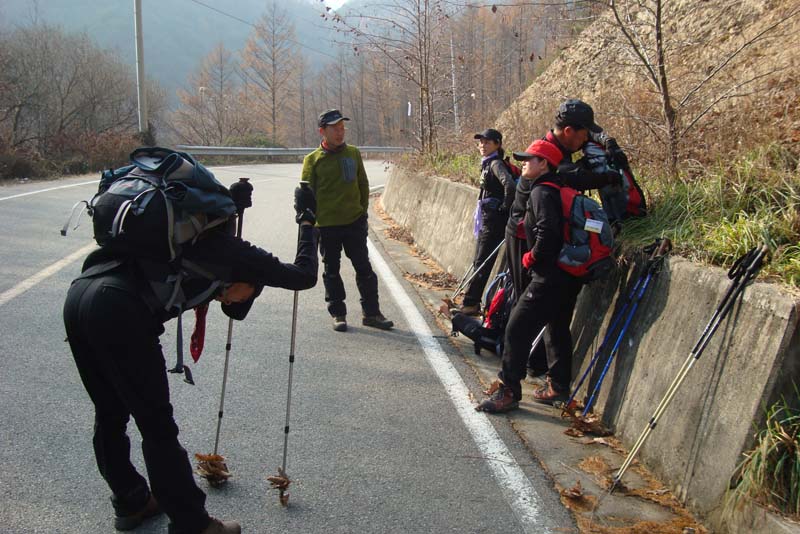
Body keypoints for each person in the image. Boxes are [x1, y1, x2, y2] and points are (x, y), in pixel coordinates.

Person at [62, 182, 319, 534]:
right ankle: (192, 524)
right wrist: (307, 221)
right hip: (119, 309)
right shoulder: (239, 257)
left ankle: (131, 500)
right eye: (248, 293)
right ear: (248, 279)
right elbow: (303, 276)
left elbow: (214, 249)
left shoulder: (189, 243)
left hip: (79, 297)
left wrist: (233, 208)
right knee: (158, 428)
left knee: (110, 413)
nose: (233, 301)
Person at [476, 139, 583, 413]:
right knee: (557, 328)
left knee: (516, 327)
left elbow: (548, 234)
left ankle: (508, 390)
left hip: (548, 276)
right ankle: (557, 387)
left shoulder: (541, 193)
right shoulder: (558, 188)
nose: (523, 162)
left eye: (529, 159)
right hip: (568, 275)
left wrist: (530, 257)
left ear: (544, 164)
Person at [302, 109, 393, 332]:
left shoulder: (353, 153)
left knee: (364, 269)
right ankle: (338, 314)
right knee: (331, 270)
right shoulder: (312, 160)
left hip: (354, 223)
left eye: (342, 128)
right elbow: (306, 195)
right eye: (335, 128)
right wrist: (310, 224)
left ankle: (372, 314)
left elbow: (363, 184)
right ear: (322, 131)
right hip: (326, 226)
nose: (340, 132)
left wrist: (362, 213)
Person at [459, 128, 516, 316]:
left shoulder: (495, 164)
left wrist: (504, 208)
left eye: (487, 142)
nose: (482, 145)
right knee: (479, 260)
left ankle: (471, 303)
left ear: (497, 144)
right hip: (488, 218)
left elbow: (509, 185)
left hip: (494, 220)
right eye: (481, 142)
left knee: (483, 262)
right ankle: (471, 301)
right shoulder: (487, 163)